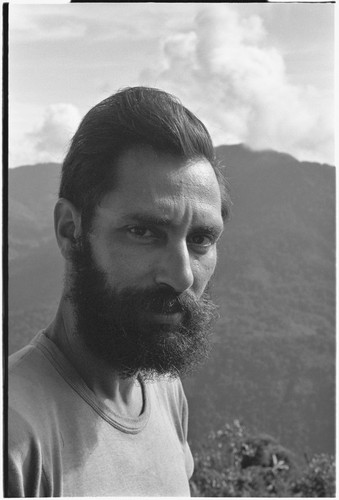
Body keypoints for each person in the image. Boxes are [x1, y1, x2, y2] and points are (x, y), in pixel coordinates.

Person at [8, 87, 230, 497]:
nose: (181, 276)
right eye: (144, 232)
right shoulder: (16, 437)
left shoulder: (165, 392)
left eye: (201, 239)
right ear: (70, 230)